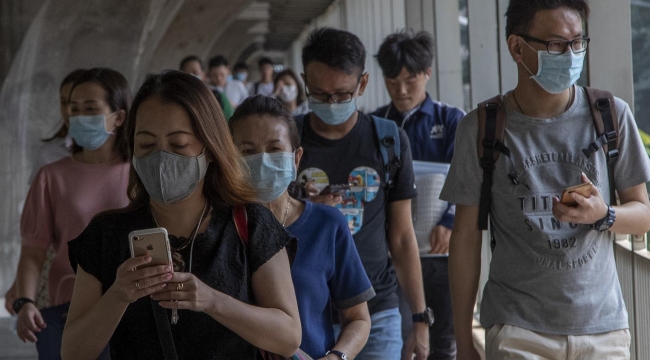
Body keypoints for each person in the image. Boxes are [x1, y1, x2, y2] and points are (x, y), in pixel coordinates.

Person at [440, 1, 650, 359]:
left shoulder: (611, 115)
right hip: (518, 328)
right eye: (555, 44)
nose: (570, 55)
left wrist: (604, 215)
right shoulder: (482, 127)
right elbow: (464, 237)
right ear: (517, 47)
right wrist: (463, 339)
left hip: (602, 329)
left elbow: (643, 213)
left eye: (578, 42)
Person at [61, 71, 301, 360]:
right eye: (147, 145)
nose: (161, 159)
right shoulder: (106, 233)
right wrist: (118, 295)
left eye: (178, 145)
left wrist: (212, 301)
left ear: (210, 149)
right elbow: (73, 352)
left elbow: (288, 336)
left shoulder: (251, 224)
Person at [296, 27, 430, 360]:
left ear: (363, 84)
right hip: (303, 310)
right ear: (304, 83)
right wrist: (300, 209)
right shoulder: (283, 139)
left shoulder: (388, 140)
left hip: (376, 308)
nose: (331, 104)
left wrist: (419, 317)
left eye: (342, 94)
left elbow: (401, 238)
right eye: (320, 94)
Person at [230, 95, 374, 359]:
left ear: (296, 159)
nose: (262, 161)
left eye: (274, 149)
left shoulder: (327, 225)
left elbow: (358, 317)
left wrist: (337, 356)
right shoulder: (220, 227)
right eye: (248, 152)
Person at [14, 67, 132, 359]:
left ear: (119, 116)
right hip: (65, 307)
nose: (79, 117)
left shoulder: (140, 175)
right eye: (74, 109)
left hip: (130, 308)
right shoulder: (51, 177)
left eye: (91, 109)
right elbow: (33, 250)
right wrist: (24, 301)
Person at [373, 30, 464, 360]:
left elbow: (470, 178)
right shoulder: (376, 124)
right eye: (392, 80)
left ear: (427, 73)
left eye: (410, 79)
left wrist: (452, 220)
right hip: (391, 256)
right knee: (395, 338)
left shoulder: (452, 121)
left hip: (441, 254)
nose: (401, 90)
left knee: (443, 342)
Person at [4, 69, 86, 316]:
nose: (71, 111)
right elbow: (36, 228)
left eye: (86, 106)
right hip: (57, 270)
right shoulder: (50, 157)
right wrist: (21, 288)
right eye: (65, 103)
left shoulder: (125, 164)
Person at [179, 55, 234, 119]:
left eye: (195, 72)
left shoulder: (218, 98)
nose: (190, 75)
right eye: (186, 73)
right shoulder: (173, 98)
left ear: (204, 75)